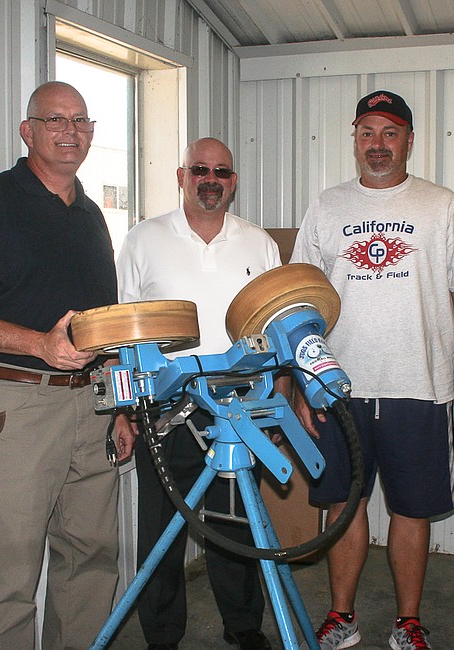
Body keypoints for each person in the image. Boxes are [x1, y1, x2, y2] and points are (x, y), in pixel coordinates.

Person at [0, 81, 134, 649]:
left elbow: (104, 322)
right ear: (29, 131)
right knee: (7, 568)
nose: (70, 132)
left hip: (94, 405)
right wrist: (39, 345)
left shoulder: (92, 215)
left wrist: (120, 407)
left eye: (80, 122)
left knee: (91, 560)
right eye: (55, 120)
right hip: (20, 406)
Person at [291, 90, 454, 650]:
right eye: (367, 133)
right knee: (343, 503)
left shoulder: (442, 206)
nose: (377, 145)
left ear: (409, 140)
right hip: (336, 389)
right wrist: (298, 386)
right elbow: (297, 304)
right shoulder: (327, 207)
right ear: (355, 138)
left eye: (390, 132)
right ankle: (342, 617)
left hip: (419, 389)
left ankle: (408, 623)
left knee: (412, 509)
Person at [115, 137, 281, 650]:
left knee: (236, 525)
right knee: (161, 532)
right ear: (182, 176)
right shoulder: (142, 240)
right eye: (200, 170)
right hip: (165, 407)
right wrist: (125, 412)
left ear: (234, 182)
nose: (211, 179)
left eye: (222, 172)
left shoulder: (261, 245)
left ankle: (244, 628)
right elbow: (124, 332)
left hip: (237, 408)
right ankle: (162, 637)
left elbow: (276, 327)